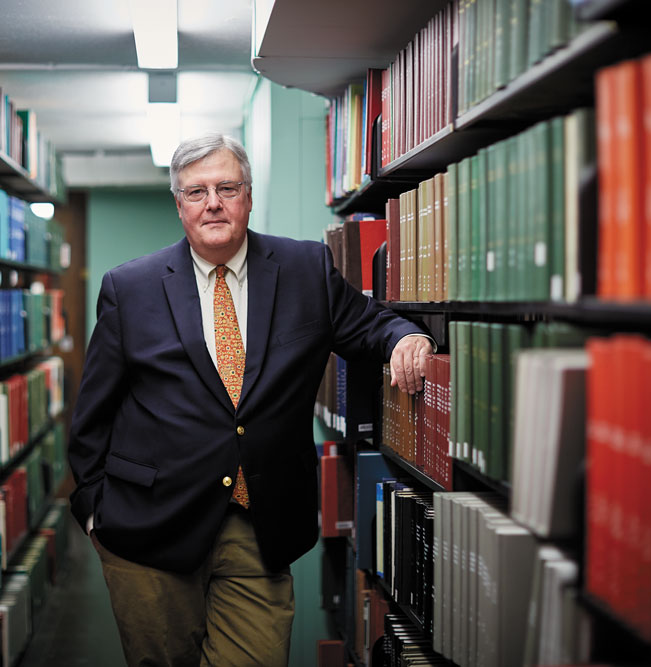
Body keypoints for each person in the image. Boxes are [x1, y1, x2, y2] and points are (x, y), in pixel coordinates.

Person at [68, 133, 434, 666]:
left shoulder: (305, 268)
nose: (212, 203)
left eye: (226, 187)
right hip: (148, 527)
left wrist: (407, 338)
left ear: (249, 196)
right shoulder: (130, 287)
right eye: (196, 192)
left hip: (259, 524)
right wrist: (93, 513)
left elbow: (370, 323)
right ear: (179, 205)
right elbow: (92, 414)